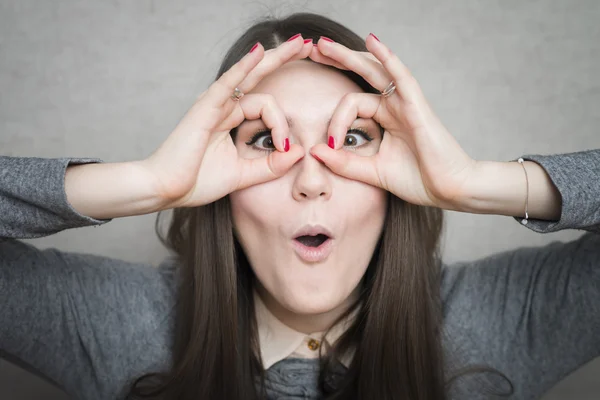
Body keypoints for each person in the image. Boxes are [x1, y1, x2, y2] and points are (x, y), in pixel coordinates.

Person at [1, 11, 599, 400]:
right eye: (267, 141)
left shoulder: (503, 319)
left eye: (351, 140)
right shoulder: (117, 324)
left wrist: (476, 182)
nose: (311, 181)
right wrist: (146, 181)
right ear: (216, 184)